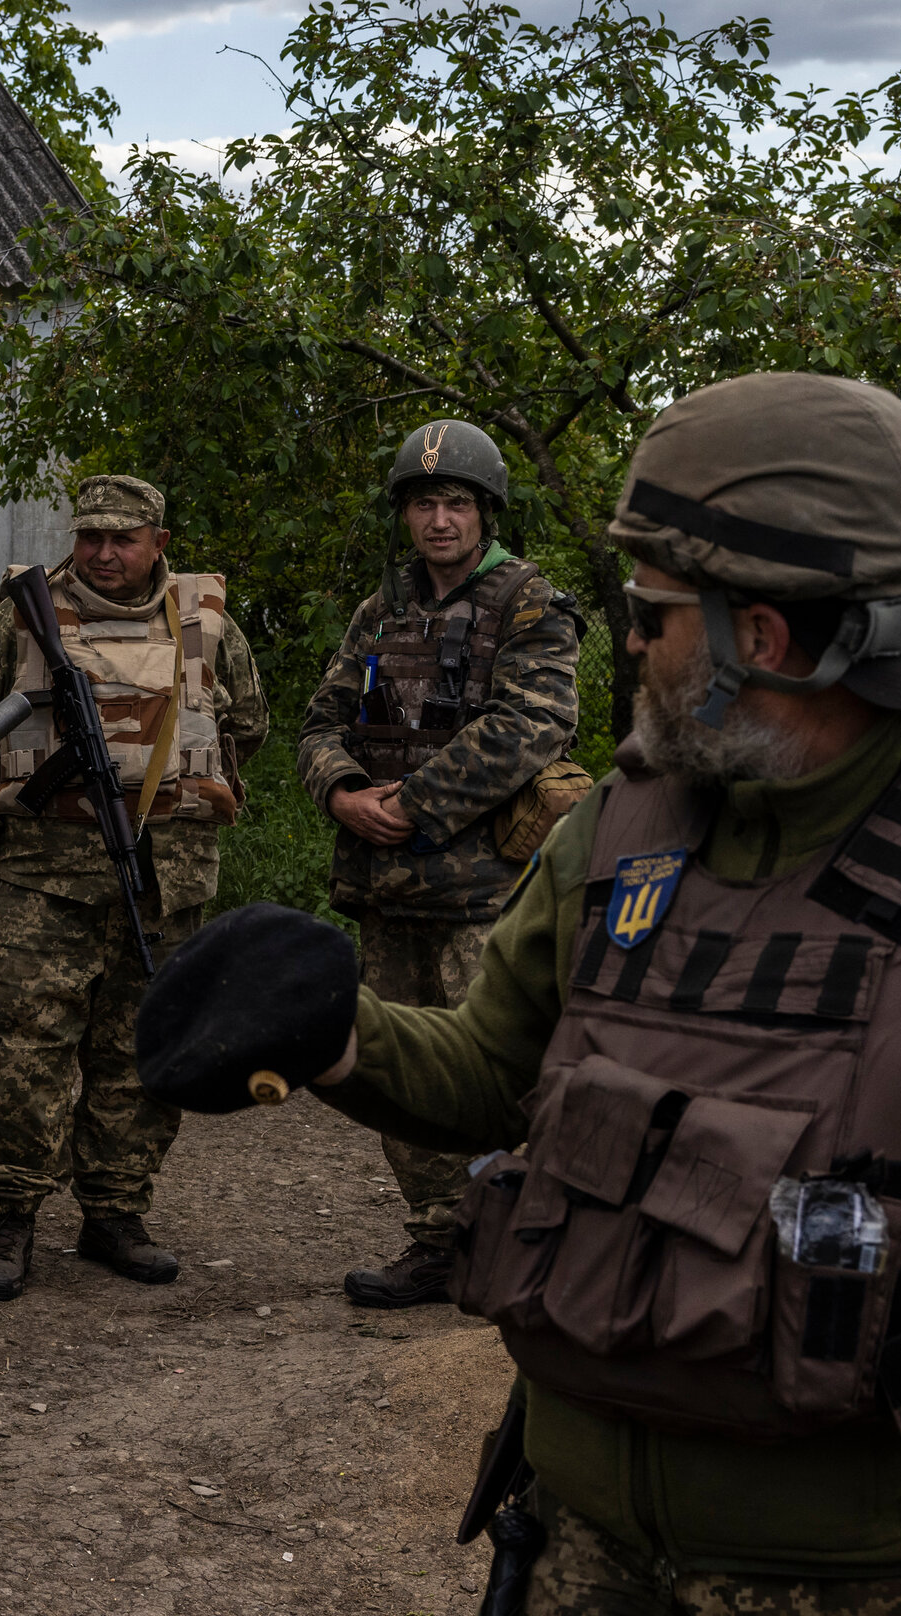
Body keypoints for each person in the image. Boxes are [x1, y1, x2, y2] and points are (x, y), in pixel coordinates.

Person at [145, 372, 901, 1616]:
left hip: (871, 1609)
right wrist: (331, 1035)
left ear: (772, 636)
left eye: (654, 613)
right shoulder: (621, 829)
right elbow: (491, 1077)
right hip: (578, 1560)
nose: (632, 645)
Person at [0, 473, 266, 1299]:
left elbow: (245, 728)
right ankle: (11, 1216)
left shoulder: (208, 624)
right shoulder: (21, 613)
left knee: (140, 1049)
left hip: (167, 880)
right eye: (90, 536)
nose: (104, 552)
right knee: (27, 1050)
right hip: (46, 878)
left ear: (159, 543)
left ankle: (115, 1212)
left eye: (123, 539)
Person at [295, 420, 581, 1310]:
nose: (440, 519)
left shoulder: (530, 604)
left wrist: (410, 804)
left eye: (456, 501)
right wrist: (343, 792)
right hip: (388, 888)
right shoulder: (380, 612)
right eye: (424, 503)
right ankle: (439, 1241)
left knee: (501, 1073)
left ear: (485, 510)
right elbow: (320, 722)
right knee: (401, 1079)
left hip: (487, 892)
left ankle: (529, 1237)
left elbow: (531, 727)